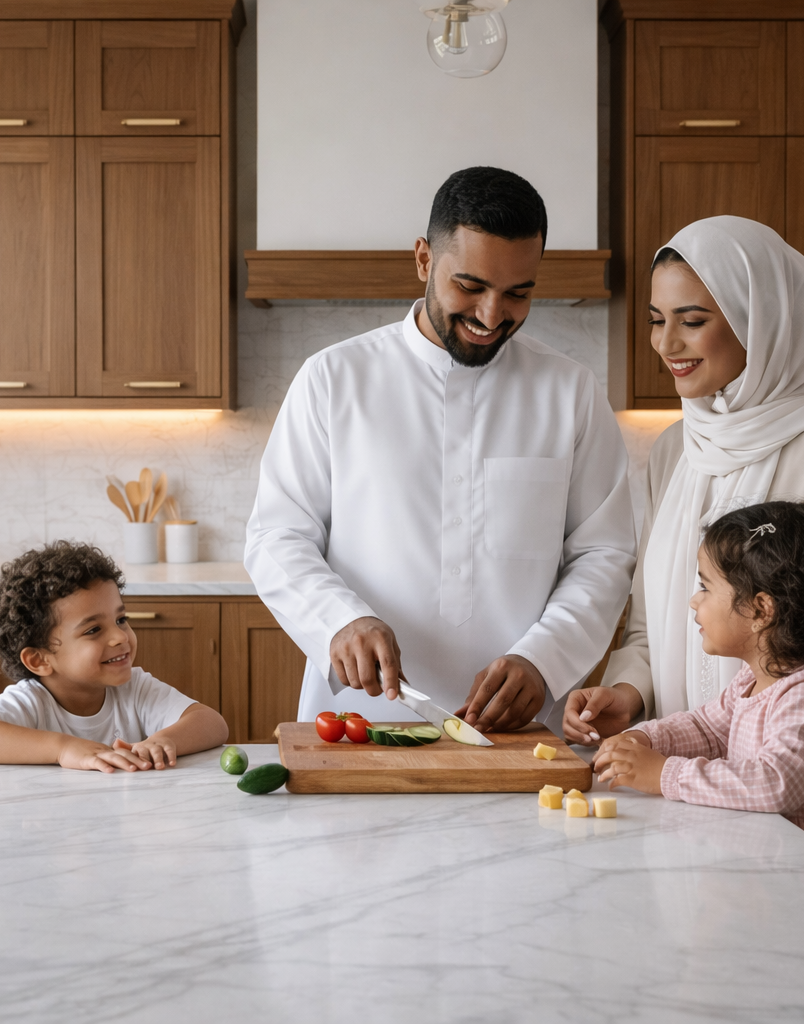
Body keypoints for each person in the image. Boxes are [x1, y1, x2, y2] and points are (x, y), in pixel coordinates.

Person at [562, 215, 804, 912]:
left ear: (761, 319)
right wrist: (627, 695)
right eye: (656, 320)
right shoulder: (674, 450)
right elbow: (650, 624)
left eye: (693, 320)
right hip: (694, 793)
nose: (665, 344)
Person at [245, 166, 636, 733]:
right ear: (424, 259)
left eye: (518, 293)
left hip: (519, 732)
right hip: (360, 723)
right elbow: (277, 536)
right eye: (471, 287)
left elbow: (603, 553)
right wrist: (339, 620)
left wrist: (544, 658)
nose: (491, 315)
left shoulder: (570, 391)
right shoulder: (332, 379)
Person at [594, 501, 804, 901]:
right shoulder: (756, 678)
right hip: (779, 864)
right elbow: (706, 728)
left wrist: (665, 775)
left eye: (706, 587)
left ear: (761, 609)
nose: (694, 601)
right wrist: (645, 739)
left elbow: (774, 784)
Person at [0, 541, 228, 773]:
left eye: (120, 619)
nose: (120, 637)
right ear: (39, 660)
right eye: (93, 630)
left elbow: (212, 723)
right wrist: (64, 749)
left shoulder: (135, 688)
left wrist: (163, 740)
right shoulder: (31, 701)